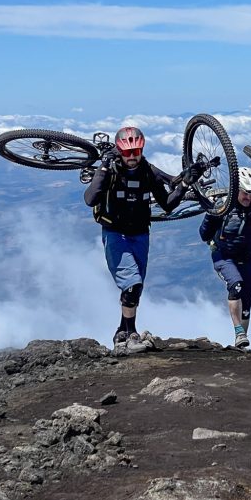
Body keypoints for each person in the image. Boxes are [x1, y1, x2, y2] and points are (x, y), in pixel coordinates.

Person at [83, 126, 198, 354]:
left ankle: (121, 333)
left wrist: (184, 185)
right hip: (115, 234)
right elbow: (90, 198)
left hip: (141, 234)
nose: (132, 157)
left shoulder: (147, 171)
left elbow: (167, 203)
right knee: (132, 284)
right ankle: (132, 335)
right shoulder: (111, 169)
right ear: (119, 151)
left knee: (135, 289)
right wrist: (104, 166)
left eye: (136, 151)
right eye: (127, 152)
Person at [199, 167, 251, 349]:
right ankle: (239, 332)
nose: (249, 198)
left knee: (246, 302)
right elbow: (204, 235)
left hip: (247, 258)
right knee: (236, 286)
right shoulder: (222, 206)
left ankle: (240, 345)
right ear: (236, 189)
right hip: (224, 256)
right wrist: (211, 212)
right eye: (245, 193)